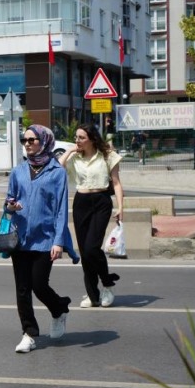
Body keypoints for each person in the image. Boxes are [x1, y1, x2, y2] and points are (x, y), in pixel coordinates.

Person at [4, 125, 79, 354]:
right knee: (22, 289)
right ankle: (29, 333)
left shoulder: (56, 172)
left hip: (45, 239)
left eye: (31, 139)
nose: (27, 143)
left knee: (39, 285)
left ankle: (59, 309)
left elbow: (60, 210)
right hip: (21, 237)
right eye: (23, 140)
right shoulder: (18, 171)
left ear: (44, 141)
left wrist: (58, 241)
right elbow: (8, 200)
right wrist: (11, 206)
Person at [59, 123, 123, 309]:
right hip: (81, 203)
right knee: (85, 252)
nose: (77, 141)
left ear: (92, 139)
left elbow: (117, 183)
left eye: (81, 138)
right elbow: (57, 167)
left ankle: (108, 285)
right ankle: (92, 294)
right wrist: (70, 150)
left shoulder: (108, 156)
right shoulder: (75, 158)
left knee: (92, 247)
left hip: (101, 201)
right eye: (76, 138)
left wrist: (121, 207)